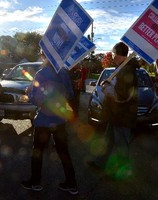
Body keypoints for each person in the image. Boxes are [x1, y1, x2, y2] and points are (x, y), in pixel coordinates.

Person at [21, 53, 78, 195]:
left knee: (38, 151)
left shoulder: (41, 73)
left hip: (44, 121)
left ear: (44, 56)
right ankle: (72, 184)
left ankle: (35, 182)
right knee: (64, 152)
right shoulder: (63, 73)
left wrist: (29, 93)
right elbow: (70, 94)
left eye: (41, 55)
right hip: (60, 119)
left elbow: (37, 100)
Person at [88, 42, 139, 180]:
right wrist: (109, 84)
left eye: (114, 53)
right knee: (108, 140)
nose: (113, 56)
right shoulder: (122, 68)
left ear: (118, 54)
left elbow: (122, 95)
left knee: (122, 145)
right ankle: (100, 163)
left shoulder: (127, 70)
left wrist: (107, 89)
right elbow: (118, 87)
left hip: (123, 115)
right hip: (115, 114)